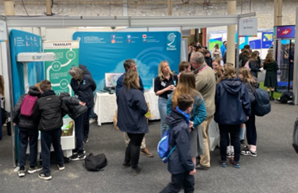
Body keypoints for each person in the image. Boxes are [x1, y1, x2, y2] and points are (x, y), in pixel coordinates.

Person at [215, 63, 251, 168]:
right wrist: (247, 113)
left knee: (223, 137)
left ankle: (223, 160)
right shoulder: (241, 86)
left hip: (223, 115)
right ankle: (236, 160)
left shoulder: (220, 86)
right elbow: (246, 101)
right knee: (236, 138)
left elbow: (216, 101)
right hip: (237, 115)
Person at [167, 72, 207, 166]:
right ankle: (190, 176)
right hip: (192, 130)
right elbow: (202, 114)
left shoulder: (173, 95)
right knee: (191, 155)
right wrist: (193, 123)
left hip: (176, 129)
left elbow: (169, 112)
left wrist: (175, 123)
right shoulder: (197, 95)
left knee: (177, 153)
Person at [116, 59, 153, 157]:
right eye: (133, 66)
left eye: (135, 65)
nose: (135, 67)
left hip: (137, 111)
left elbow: (141, 90)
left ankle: (142, 147)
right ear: (127, 68)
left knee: (138, 135)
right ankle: (133, 157)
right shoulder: (121, 80)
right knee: (131, 139)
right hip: (129, 111)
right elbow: (119, 96)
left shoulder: (138, 77)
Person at [160, 94, 196, 193]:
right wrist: (190, 166)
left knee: (189, 185)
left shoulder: (175, 116)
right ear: (189, 108)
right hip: (180, 163)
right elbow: (184, 150)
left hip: (175, 159)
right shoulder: (182, 127)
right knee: (175, 186)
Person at [117, 70, 148, 176]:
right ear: (135, 79)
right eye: (138, 77)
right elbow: (144, 109)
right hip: (136, 122)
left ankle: (127, 161)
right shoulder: (137, 93)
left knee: (132, 141)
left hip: (125, 121)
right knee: (136, 144)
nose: (139, 79)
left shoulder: (121, 90)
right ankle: (135, 167)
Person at [32, 80, 65, 180]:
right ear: (50, 88)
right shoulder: (58, 99)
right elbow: (64, 110)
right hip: (57, 126)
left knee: (45, 149)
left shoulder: (39, 101)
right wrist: (58, 118)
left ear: (41, 90)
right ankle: (61, 164)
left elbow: (35, 116)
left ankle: (46, 172)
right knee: (57, 145)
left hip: (45, 128)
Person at [190, 52, 216, 170]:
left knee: (203, 136)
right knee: (205, 133)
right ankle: (204, 157)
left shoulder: (201, 76)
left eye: (191, 62)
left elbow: (191, 91)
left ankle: (205, 162)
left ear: (195, 64)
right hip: (209, 107)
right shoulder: (208, 69)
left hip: (203, 109)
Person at [12, 85, 42, 177]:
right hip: (33, 125)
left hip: (22, 125)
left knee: (22, 145)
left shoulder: (23, 96)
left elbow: (16, 109)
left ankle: (21, 168)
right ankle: (32, 166)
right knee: (33, 145)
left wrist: (15, 121)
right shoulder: (39, 98)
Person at [69, 65, 96, 144]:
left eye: (74, 75)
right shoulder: (72, 81)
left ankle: (85, 136)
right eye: (72, 75)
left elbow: (94, 86)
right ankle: (79, 137)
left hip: (88, 102)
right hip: (79, 103)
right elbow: (74, 89)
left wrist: (87, 95)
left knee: (86, 120)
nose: (73, 77)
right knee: (80, 121)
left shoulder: (87, 78)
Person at [59, 92, 87, 160]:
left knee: (78, 132)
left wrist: (79, 102)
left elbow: (72, 100)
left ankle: (80, 152)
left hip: (79, 113)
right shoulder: (66, 101)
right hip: (83, 110)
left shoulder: (63, 99)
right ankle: (79, 148)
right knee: (79, 130)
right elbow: (64, 111)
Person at [238, 67, 259, 156]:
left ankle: (252, 149)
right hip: (252, 108)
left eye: (239, 74)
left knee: (250, 127)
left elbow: (250, 98)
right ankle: (251, 145)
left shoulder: (246, 84)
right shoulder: (253, 81)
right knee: (251, 126)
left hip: (249, 108)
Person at [154, 61, 178, 137]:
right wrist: (166, 88)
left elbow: (180, 88)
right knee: (164, 123)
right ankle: (163, 140)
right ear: (161, 69)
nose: (167, 68)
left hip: (174, 100)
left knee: (174, 120)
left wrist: (175, 88)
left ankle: (172, 138)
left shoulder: (174, 77)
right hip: (163, 101)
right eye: (165, 67)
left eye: (167, 66)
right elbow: (156, 92)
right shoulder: (158, 79)